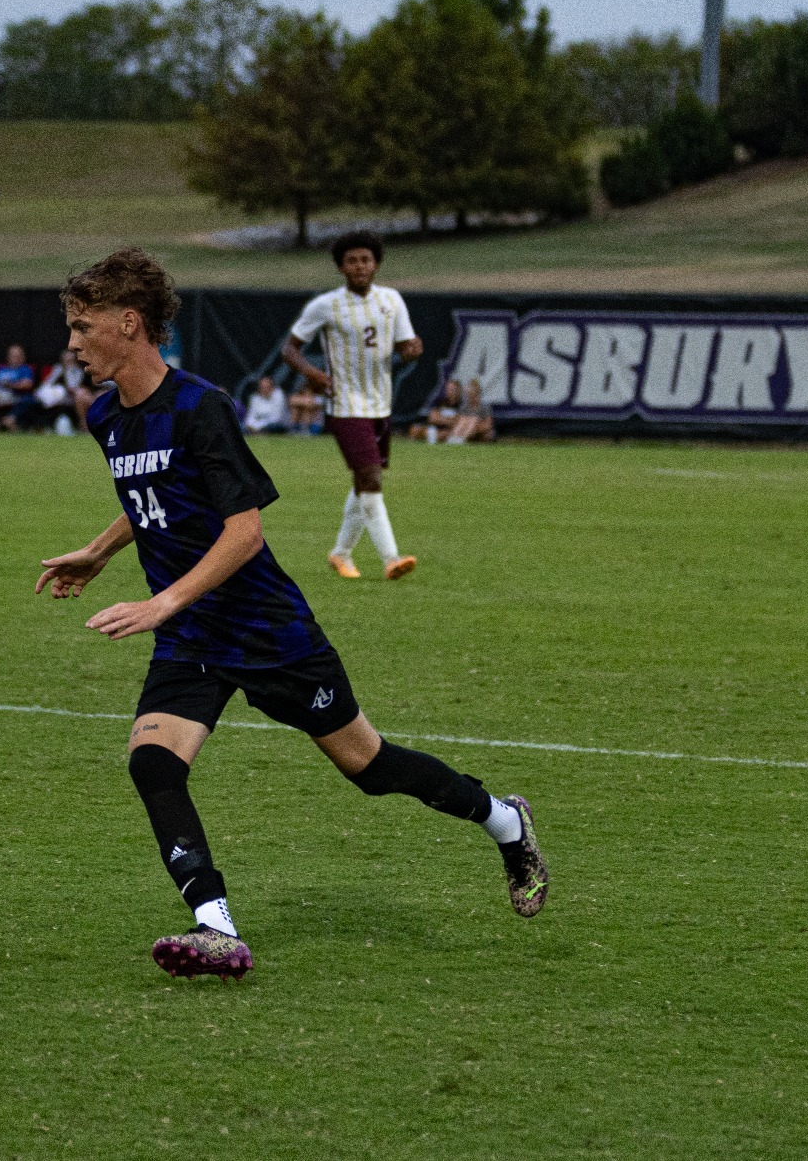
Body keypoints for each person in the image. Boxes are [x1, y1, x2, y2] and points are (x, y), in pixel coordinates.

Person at [36, 248, 548, 981]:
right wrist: (99, 551)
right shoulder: (105, 416)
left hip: (264, 625)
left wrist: (163, 599)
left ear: (130, 322)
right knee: (153, 762)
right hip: (191, 635)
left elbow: (244, 531)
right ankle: (216, 927)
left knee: (367, 766)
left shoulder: (200, 406)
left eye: (84, 327)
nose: (75, 343)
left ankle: (505, 819)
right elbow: (151, 495)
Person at [281, 230, 423, 581]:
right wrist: (313, 373)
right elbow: (290, 349)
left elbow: (406, 344)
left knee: (364, 481)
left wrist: (411, 350)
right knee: (371, 477)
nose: (359, 266)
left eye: (365, 259)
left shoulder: (391, 300)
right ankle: (391, 558)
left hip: (381, 403)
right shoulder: (326, 305)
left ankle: (340, 553)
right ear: (341, 268)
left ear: (376, 265)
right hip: (345, 405)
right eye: (352, 261)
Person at [34, 348, 96, 434]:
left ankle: (84, 425)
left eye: (70, 360)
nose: (68, 362)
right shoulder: (58, 369)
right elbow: (48, 383)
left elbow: (74, 387)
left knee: (80, 395)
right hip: (56, 398)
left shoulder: (78, 371)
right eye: (66, 359)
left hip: (72, 399)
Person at [409, 379, 463, 444]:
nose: (449, 391)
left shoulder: (461, 405)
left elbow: (458, 422)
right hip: (434, 428)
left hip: (449, 431)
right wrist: (448, 420)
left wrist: (440, 417)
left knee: (445, 434)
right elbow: (432, 418)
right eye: (448, 388)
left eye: (452, 389)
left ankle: (431, 440)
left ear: (457, 390)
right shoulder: (440, 402)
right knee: (414, 428)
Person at [447, 376, 496, 444]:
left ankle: (461, 440)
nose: (471, 397)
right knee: (464, 419)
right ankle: (453, 439)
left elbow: (488, 425)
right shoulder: (464, 407)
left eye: (473, 395)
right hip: (466, 428)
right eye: (469, 395)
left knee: (474, 420)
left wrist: (476, 428)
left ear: (478, 394)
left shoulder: (484, 407)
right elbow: (457, 421)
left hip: (479, 429)